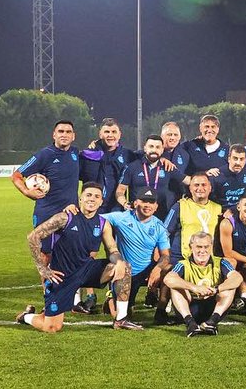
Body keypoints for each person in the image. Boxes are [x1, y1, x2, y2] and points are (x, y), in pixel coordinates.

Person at [16, 182, 142, 332]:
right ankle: (26, 316)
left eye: (97, 196)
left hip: (87, 270)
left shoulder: (103, 224)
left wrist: (119, 261)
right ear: (80, 198)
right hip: (63, 276)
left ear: (101, 202)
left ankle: (121, 319)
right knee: (51, 327)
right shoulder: (64, 218)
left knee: (124, 266)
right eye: (88, 195)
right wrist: (42, 268)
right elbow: (33, 237)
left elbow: (112, 249)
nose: (92, 199)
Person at [102, 189, 173, 320]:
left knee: (169, 269)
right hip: (124, 272)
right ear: (135, 203)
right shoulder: (121, 217)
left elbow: (165, 255)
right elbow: (96, 219)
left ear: (156, 206)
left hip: (145, 272)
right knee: (122, 315)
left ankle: (161, 312)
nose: (148, 205)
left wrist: (157, 269)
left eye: (151, 202)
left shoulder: (159, 226)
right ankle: (112, 297)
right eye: (144, 201)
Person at [162, 232, 241, 336]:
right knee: (175, 287)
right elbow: (168, 278)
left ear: (211, 247)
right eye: (199, 247)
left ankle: (212, 322)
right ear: (191, 247)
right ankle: (190, 324)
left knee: (230, 286)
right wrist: (195, 288)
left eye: (206, 247)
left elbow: (237, 278)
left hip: (213, 308)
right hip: (190, 308)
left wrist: (217, 289)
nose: (202, 251)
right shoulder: (183, 264)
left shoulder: (221, 262)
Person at [12, 119, 81, 227]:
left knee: (72, 244)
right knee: (41, 244)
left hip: (71, 213)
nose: (64, 135)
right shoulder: (45, 154)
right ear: (54, 135)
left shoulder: (75, 152)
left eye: (68, 132)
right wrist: (26, 191)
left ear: (73, 136)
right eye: (61, 131)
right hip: (47, 214)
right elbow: (16, 175)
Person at [116, 134, 179, 219]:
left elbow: (188, 180)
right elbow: (120, 191)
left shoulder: (168, 167)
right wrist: (124, 203)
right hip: (136, 215)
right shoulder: (132, 167)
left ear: (162, 149)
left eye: (157, 147)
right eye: (151, 146)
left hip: (161, 216)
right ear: (145, 148)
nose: (154, 150)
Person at [79, 117, 135, 213]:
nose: (110, 135)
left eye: (114, 132)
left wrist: (162, 158)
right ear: (100, 134)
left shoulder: (128, 155)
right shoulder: (87, 155)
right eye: (107, 132)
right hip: (92, 208)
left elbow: (148, 157)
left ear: (119, 135)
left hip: (117, 209)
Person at [218, 196, 246, 313]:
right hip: (227, 258)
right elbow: (228, 252)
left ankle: (245, 300)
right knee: (231, 262)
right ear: (238, 207)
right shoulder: (227, 223)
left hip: (244, 259)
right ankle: (222, 298)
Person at [163, 174, 222, 260]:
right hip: (182, 258)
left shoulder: (218, 208)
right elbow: (164, 232)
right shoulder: (180, 206)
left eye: (204, 185)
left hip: (209, 259)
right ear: (190, 188)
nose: (200, 188)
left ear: (210, 188)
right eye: (196, 185)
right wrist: (164, 254)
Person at [179, 114, 230, 190]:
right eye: (206, 127)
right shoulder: (189, 146)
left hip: (218, 196)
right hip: (194, 195)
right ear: (200, 128)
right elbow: (173, 151)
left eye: (213, 127)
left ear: (218, 129)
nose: (209, 130)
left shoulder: (227, 150)